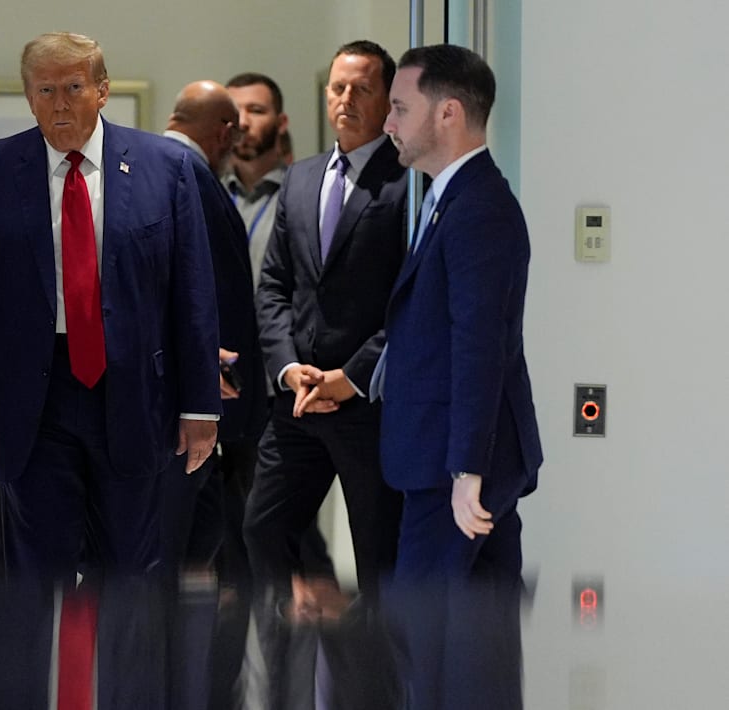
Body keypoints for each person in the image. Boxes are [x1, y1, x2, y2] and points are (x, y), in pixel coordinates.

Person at [0, 31, 220, 710]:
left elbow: (193, 294)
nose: (60, 103)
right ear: (27, 95)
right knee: (36, 582)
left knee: (131, 579)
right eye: (45, 89)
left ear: (102, 89)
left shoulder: (165, 168)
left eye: (73, 87)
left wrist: (200, 407)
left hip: (135, 396)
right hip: (28, 404)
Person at [374, 43, 542, 710]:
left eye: (399, 107)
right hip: (444, 462)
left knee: (441, 652)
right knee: (467, 653)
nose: (388, 122)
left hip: (456, 470)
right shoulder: (452, 198)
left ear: (447, 113)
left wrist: (466, 469)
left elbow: (480, 346)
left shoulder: (479, 207)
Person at [245, 39, 409, 709]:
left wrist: (352, 374)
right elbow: (274, 287)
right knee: (262, 527)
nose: (345, 99)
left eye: (361, 88)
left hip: (369, 405)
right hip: (299, 403)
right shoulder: (303, 178)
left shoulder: (408, 182)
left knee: (378, 559)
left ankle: (378, 691)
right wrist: (289, 370)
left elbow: (410, 300)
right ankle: (311, 654)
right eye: (338, 87)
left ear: (388, 100)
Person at [160, 79, 267, 710]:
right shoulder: (192, 177)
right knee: (194, 557)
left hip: (181, 403)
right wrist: (226, 394)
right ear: (224, 132)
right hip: (202, 408)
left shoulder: (151, 167)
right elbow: (215, 295)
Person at [224, 72, 289, 291]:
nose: (242, 122)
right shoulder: (207, 192)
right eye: (234, 112)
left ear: (281, 123)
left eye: (256, 111)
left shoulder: (300, 194)